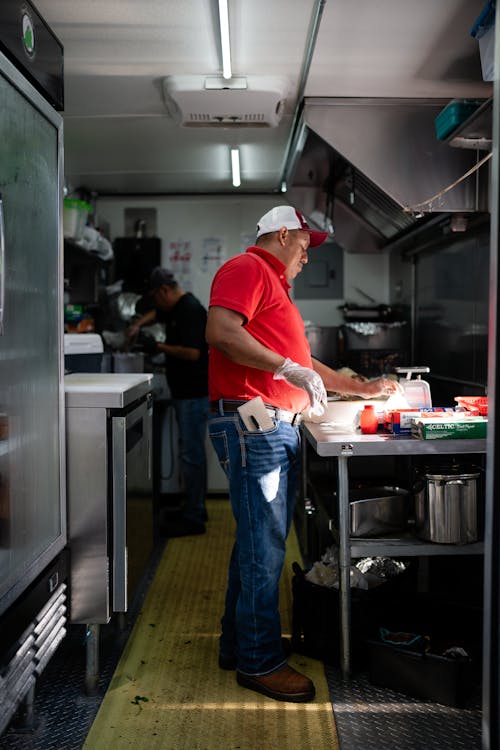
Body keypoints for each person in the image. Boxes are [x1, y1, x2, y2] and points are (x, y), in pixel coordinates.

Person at [205, 205, 401, 703]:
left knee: (255, 544)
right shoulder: (249, 268)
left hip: (272, 428)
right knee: (266, 550)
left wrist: (359, 388)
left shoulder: (277, 290)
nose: (308, 258)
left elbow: (303, 364)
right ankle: (260, 662)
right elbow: (222, 334)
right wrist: (289, 372)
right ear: (283, 234)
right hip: (257, 427)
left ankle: (238, 645)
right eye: (305, 248)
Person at [128, 267, 209, 537]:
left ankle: (194, 517)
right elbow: (158, 314)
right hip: (184, 392)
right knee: (189, 452)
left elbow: (194, 353)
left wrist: (158, 347)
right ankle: (193, 507)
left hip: (194, 393)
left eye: (155, 297)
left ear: (164, 290)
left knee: (192, 455)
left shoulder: (190, 310)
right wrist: (138, 325)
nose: (156, 305)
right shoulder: (174, 308)